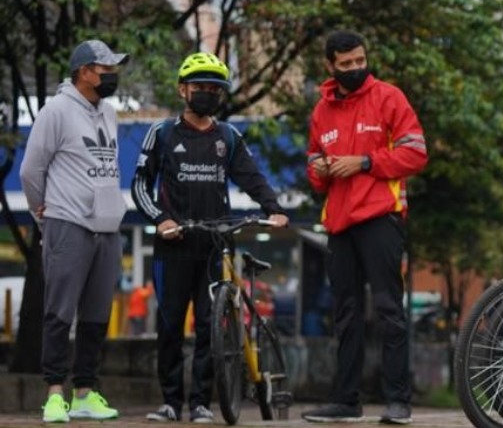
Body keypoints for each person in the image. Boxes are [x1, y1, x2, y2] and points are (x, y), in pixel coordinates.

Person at [132, 52, 289, 423]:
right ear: (182, 90)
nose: (206, 93)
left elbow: (252, 177)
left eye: (213, 89)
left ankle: (201, 402)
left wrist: (274, 208)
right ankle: (170, 401)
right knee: (170, 326)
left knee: (209, 327)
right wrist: (161, 219)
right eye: (199, 87)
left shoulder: (228, 137)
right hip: (172, 245)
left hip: (215, 246)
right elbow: (140, 184)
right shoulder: (163, 133)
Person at [302, 31, 428, 425]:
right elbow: (314, 169)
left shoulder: (389, 97)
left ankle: (398, 401)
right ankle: (345, 400)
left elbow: (415, 153)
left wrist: (365, 163)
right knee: (345, 314)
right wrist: (320, 169)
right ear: (330, 67)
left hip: (381, 218)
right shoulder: (321, 111)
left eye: (360, 60)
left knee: (390, 309)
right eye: (347, 64)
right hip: (339, 223)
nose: (356, 68)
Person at [19, 39, 130, 423]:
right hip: (68, 222)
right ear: (84, 72)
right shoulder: (56, 111)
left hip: (107, 225)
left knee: (97, 315)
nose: (113, 76)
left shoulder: (110, 113)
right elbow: (30, 171)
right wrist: (42, 213)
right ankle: (54, 394)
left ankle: (85, 392)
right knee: (59, 312)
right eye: (106, 69)